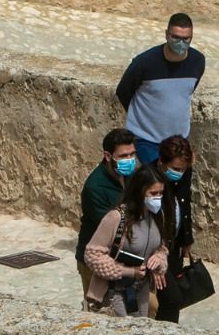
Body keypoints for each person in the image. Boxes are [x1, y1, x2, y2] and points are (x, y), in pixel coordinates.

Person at [117, 13, 205, 168]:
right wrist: (142, 119)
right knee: (154, 187)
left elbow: (186, 92)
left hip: (179, 143)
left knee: (180, 188)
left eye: (186, 39)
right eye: (176, 37)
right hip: (147, 140)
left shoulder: (197, 61)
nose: (180, 43)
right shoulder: (145, 62)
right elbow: (124, 91)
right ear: (166, 35)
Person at [83, 166, 170, 317]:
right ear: (139, 192)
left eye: (161, 193)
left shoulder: (157, 215)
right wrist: (129, 272)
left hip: (141, 290)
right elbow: (92, 254)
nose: (158, 198)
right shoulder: (116, 218)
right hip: (113, 292)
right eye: (153, 193)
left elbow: (161, 247)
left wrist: (159, 258)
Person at [77, 127, 140, 302]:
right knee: (102, 309)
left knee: (146, 306)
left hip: (127, 256)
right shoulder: (95, 188)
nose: (129, 160)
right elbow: (107, 231)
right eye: (123, 156)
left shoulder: (133, 176)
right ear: (107, 156)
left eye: (132, 154)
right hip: (99, 260)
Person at [151, 134, 197, 324]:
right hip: (155, 249)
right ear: (162, 162)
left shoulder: (185, 172)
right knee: (171, 298)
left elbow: (185, 203)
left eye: (184, 168)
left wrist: (187, 238)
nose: (180, 172)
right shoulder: (148, 179)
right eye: (176, 169)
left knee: (173, 300)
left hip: (174, 244)